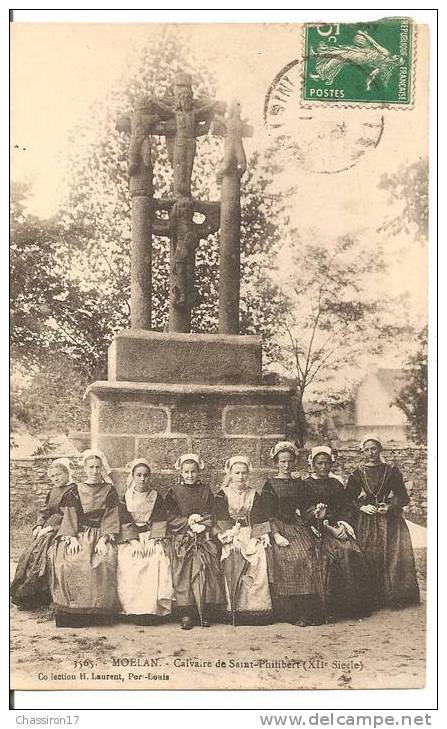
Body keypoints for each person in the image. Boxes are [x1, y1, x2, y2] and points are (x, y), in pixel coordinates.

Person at [345, 434, 420, 609]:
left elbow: (403, 497)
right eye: (367, 450)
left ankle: (394, 596)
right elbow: (347, 498)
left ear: (380, 449)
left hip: (390, 520)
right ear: (362, 451)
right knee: (370, 554)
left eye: (374, 449)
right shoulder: (358, 473)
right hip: (367, 520)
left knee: (392, 555)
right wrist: (362, 507)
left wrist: (390, 506)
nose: (371, 453)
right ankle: (373, 599)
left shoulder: (391, 471)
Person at [48, 449, 121, 627]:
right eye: (91, 467)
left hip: (101, 534)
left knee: (104, 561)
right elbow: (70, 515)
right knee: (70, 560)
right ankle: (73, 613)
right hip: (79, 532)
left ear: (102, 468)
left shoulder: (110, 490)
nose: (95, 471)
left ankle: (98, 613)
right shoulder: (75, 490)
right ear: (85, 469)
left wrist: (104, 539)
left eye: (98, 467)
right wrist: (71, 538)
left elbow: (111, 516)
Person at [302, 446, 373, 619]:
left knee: (353, 551)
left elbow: (346, 507)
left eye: (327, 463)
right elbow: (305, 512)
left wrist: (342, 525)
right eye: (320, 463)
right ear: (312, 464)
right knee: (335, 554)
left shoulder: (336, 484)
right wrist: (322, 521)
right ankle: (332, 607)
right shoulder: (305, 485)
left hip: (337, 526)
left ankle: (352, 606)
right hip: (317, 529)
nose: (324, 466)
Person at [263, 441, 325, 627]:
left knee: (308, 556)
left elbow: (306, 510)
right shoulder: (270, 485)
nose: (286, 465)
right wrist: (275, 535)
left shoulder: (300, 484)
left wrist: (316, 513)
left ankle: (307, 611)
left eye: (290, 461)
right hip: (279, 529)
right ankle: (290, 612)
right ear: (276, 462)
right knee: (290, 559)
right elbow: (268, 514)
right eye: (282, 461)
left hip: (298, 527)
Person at [164, 453, 224, 630]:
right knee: (184, 566)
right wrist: (186, 522)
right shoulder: (173, 492)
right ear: (181, 473)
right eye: (186, 472)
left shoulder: (206, 491)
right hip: (182, 535)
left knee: (207, 563)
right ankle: (187, 612)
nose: (190, 475)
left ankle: (204, 611)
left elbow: (213, 513)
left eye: (193, 472)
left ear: (199, 472)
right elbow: (169, 516)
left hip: (203, 535)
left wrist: (203, 523)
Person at [213, 456, 273, 625]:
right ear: (230, 474)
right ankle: (234, 609)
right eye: (237, 473)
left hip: (249, 532)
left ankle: (255, 609)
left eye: (244, 473)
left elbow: (259, 518)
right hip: (231, 533)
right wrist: (230, 534)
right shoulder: (222, 495)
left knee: (258, 556)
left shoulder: (253, 494)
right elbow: (220, 520)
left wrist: (255, 537)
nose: (241, 477)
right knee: (233, 553)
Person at [11, 458, 74, 609]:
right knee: (29, 554)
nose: (56, 478)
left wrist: (50, 528)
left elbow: (68, 515)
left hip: (62, 528)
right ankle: (27, 596)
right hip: (46, 528)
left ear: (67, 474)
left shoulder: (72, 490)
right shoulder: (53, 490)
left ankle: (41, 597)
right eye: (52, 477)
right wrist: (39, 525)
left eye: (58, 475)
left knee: (44, 556)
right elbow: (44, 510)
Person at [117, 458, 173, 623]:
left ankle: (151, 610)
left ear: (150, 477)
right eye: (139, 475)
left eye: (146, 476)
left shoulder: (156, 497)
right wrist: (133, 541)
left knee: (156, 559)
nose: (142, 479)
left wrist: (152, 540)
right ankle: (132, 609)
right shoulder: (125, 497)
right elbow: (124, 520)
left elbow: (160, 520)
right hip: (131, 538)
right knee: (128, 560)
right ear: (133, 476)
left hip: (151, 536)